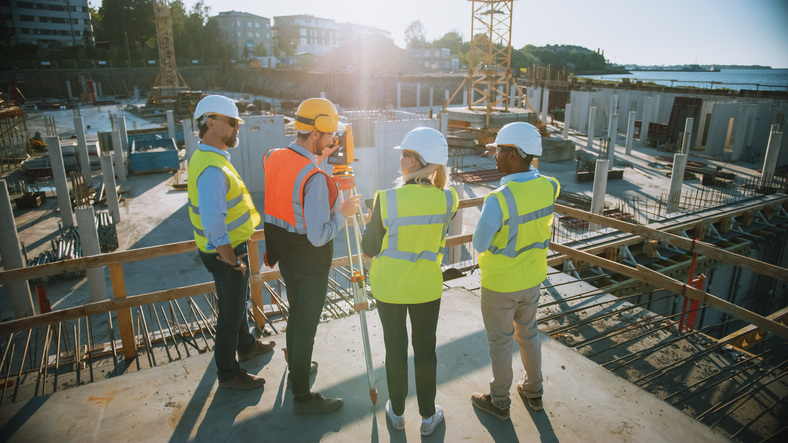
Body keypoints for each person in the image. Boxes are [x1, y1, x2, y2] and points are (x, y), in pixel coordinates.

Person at [263, 97, 361, 415]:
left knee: (296, 317)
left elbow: (295, 179)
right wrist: (343, 214)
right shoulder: (316, 179)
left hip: (285, 257)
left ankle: (298, 370)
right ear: (317, 131)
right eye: (331, 134)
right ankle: (302, 396)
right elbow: (319, 235)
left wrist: (318, 160)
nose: (335, 140)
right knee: (306, 325)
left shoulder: (273, 157)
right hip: (308, 263)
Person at [361, 127, 458, 436]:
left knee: (396, 348)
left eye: (403, 154)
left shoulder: (386, 200)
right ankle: (429, 417)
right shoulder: (448, 199)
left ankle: (398, 412)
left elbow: (370, 248)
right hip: (427, 287)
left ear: (415, 161)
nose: (399, 159)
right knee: (425, 350)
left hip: (389, 288)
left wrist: (372, 222)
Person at [470, 122, 560, 419]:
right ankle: (534, 391)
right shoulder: (550, 186)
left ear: (513, 155)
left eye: (498, 150)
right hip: (533, 279)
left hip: (500, 286)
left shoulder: (498, 199)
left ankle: (499, 402)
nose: (493, 155)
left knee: (500, 343)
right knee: (529, 335)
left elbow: (480, 242)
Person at [187, 95, 275, 390]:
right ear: (210, 123)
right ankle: (227, 373)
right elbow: (214, 223)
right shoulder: (212, 169)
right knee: (230, 312)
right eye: (232, 122)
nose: (238, 128)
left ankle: (247, 345)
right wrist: (232, 259)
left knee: (236, 305)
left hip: (226, 252)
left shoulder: (210, 158)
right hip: (225, 254)